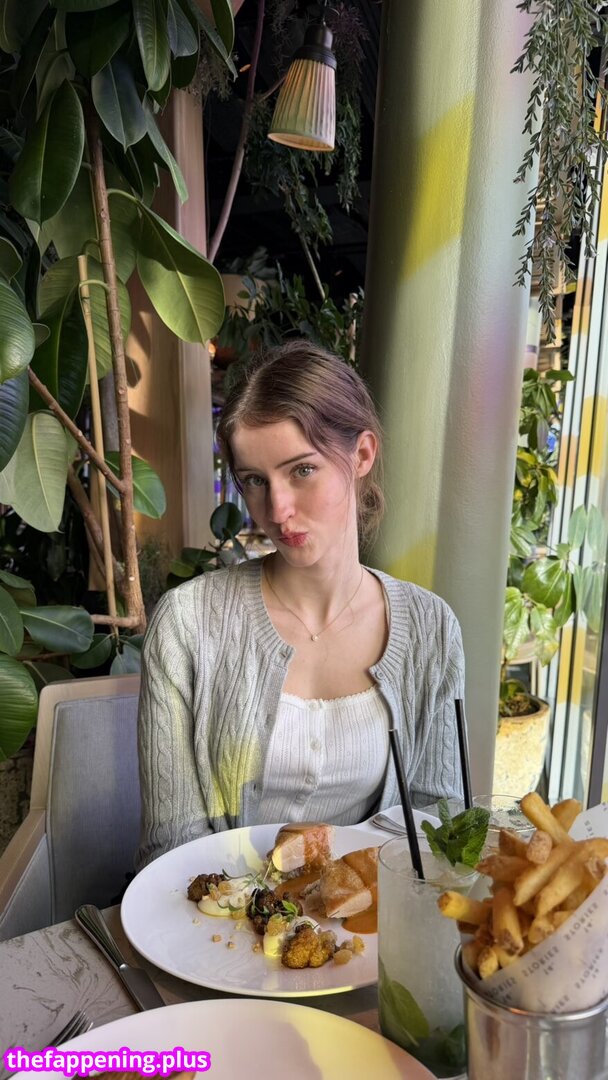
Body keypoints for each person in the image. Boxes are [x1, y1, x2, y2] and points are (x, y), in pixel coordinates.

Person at [135, 341, 464, 870]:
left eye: (302, 470)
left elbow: (437, 823)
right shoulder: (187, 624)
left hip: (371, 910)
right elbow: (173, 844)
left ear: (361, 455)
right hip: (214, 912)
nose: (277, 510)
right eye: (254, 481)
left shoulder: (432, 628)